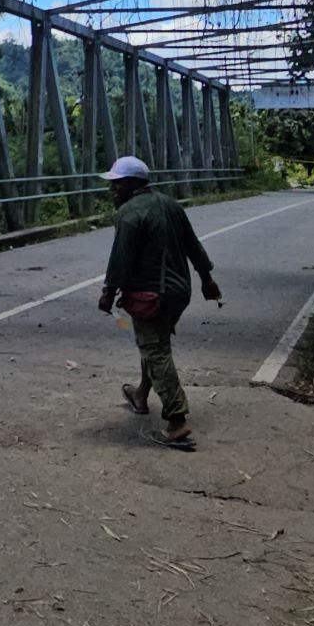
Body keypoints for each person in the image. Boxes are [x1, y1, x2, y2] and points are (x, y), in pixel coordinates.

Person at [94, 155, 221, 451]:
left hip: (152, 294)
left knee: (155, 349)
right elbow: (193, 245)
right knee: (153, 341)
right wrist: (207, 279)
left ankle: (177, 421)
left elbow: (120, 258)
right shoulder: (171, 205)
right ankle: (140, 395)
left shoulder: (128, 212)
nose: (113, 189)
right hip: (180, 291)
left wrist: (108, 292)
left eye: (116, 184)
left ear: (130, 183)